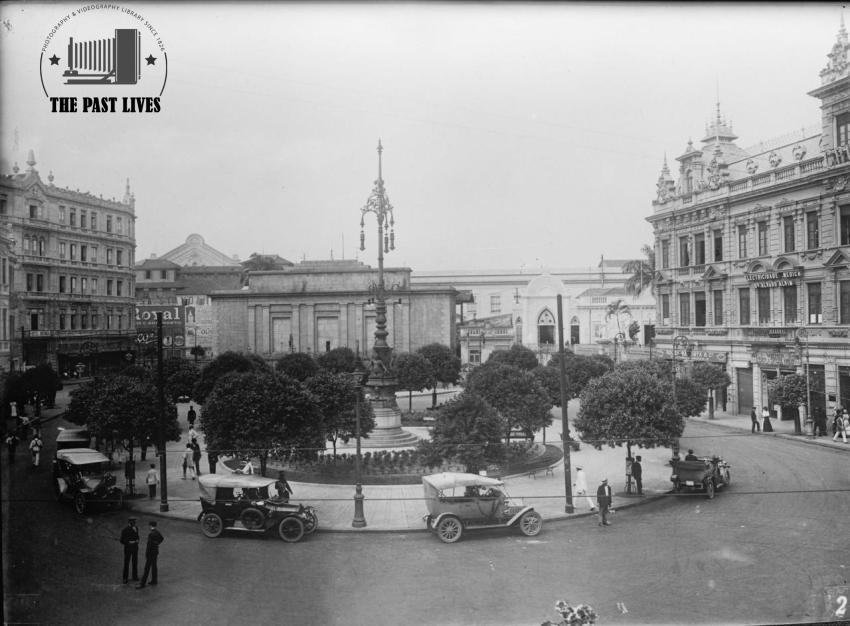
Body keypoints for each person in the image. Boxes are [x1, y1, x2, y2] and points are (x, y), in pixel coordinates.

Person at [137, 521, 164, 589]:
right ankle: (154, 580)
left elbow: (149, 546)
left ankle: (142, 584)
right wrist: (157, 543)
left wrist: (146, 554)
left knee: (147, 568)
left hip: (150, 554)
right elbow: (162, 539)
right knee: (154, 566)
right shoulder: (157, 532)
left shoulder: (151, 534)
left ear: (150, 526)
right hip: (155, 552)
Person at [120, 517, 140, 584]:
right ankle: (125, 578)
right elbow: (122, 541)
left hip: (135, 548)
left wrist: (137, 540)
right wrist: (129, 542)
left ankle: (135, 576)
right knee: (126, 563)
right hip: (128, 549)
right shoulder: (125, 530)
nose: (134, 523)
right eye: (133, 522)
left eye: (135, 522)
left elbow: (137, 536)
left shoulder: (136, 528)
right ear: (129, 522)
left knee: (135, 563)